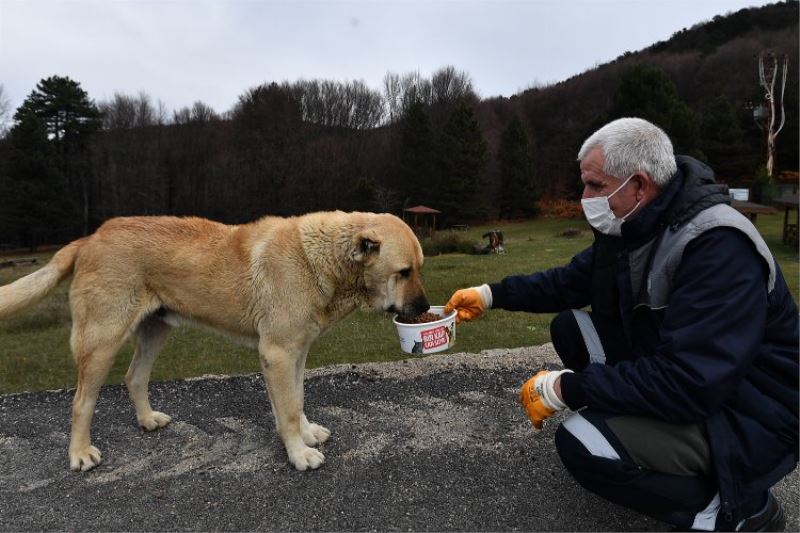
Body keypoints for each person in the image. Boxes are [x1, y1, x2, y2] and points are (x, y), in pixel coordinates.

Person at [445, 117, 798, 532]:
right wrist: (491, 294)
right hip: (694, 379)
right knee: (569, 327)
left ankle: (735, 509)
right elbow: (571, 282)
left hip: (748, 411)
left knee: (580, 443)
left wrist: (565, 388)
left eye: (595, 185)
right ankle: (634, 433)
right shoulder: (633, 224)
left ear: (640, 184)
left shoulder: (718, 246)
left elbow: (690, 382)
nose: (585, 197)